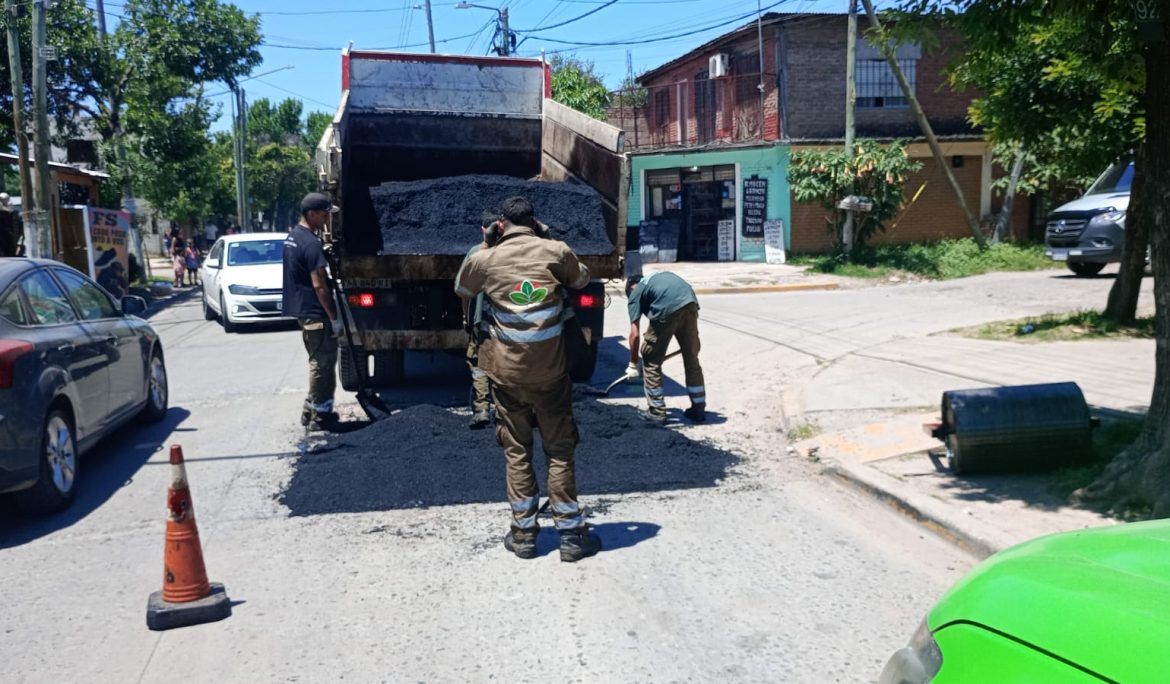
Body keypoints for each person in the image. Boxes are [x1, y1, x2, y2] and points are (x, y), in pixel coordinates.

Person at [455, 196, 601, 563]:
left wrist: (489, 244)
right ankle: (570, 536)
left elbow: (463, 288)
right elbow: (582, 279)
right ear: (534, 222)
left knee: (517, 450)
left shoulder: (485, 259)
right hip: (551, 375)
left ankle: (523, 535)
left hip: (506, 376)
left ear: (500, 223)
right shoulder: (556, 250)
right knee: (559, 451)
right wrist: (548, 238)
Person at [283, 192, 344, 431]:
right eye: (324, 213)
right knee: (322, 362)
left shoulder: (293, 238)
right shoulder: (310, 243)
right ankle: (318, 413)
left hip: (304, 311)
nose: (328, 218)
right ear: (311, 214)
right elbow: (319, 285)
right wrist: (333, 316)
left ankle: (318, 408)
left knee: (321, 360)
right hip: (315, 313)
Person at [626, 271, 706, 424]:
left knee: (650, 358)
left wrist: (633, 363)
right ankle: (698, 409)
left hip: (667, 306)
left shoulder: (636, 292)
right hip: (689, 301)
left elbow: (634, 334)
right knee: (691, 357)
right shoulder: (656, 279)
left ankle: (656, 411)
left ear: (631, 288)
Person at [460, 209, 499, 430]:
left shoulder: (476, 253)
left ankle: (482, 409)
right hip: (508, 320)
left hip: (480, 318)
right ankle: (506, 410)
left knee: (478, 363)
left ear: (483, 230)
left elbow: (463, 290)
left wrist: (466, 316)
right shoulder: (512, 252)